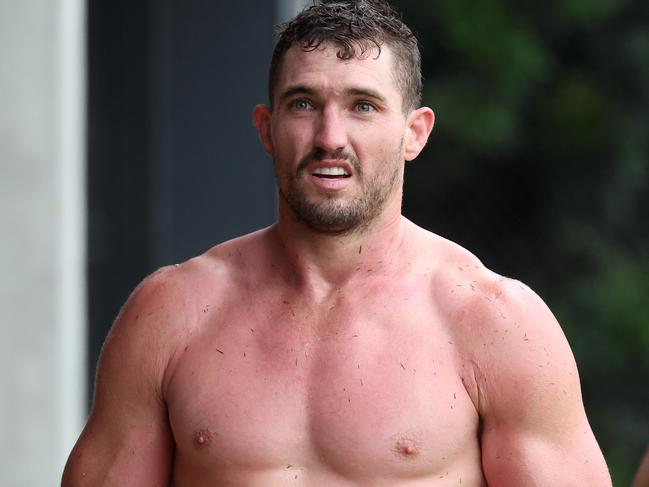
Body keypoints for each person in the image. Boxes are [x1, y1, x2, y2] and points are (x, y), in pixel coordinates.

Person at [62, 1, 612, 485]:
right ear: (265, 127)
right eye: (303, 103)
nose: (330, 137)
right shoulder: (172, 313)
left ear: (414, 132)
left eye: (363, 106)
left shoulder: (493, 322)